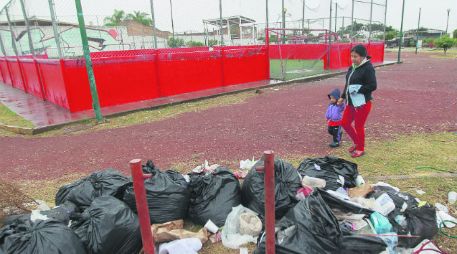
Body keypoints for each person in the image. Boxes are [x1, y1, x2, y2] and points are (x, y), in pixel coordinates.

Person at [338, 44, 377, 158]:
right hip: (351, 103)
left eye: (356, 56)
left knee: (359, 126)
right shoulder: (352, 67)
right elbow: (348, 84)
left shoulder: (368, 68)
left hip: (362, 104)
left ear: (363, 56)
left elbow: (373, 86)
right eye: (352, 56)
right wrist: (342, 97)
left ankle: (361, 148)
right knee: (345, 123)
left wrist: (358, 89)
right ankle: (357, 142)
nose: (353, 59)